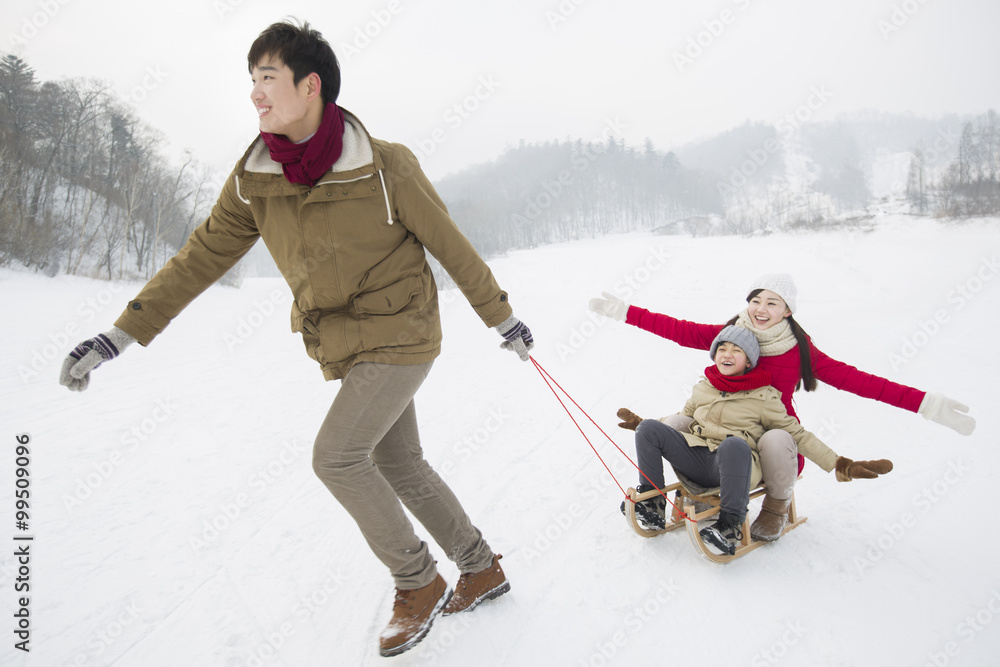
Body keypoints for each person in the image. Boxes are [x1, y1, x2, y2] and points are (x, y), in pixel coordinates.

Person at [59, 20, 529, 658]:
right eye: (250, 80)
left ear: (311, 86)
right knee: (396, 461)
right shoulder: (257, 176)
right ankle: (480, 566)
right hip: (342, 340)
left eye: (268, 79)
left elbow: (451, 245)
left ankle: (417, 581)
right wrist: (119, 334)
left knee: (336, 457)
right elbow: (199, 258)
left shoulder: (385, 165)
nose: (255, 94)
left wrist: (501, 318)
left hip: (403, 329)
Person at [591, 273, 974, 542]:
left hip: (771, 441)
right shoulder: (730, 336)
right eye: (755, 300)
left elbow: (865, 383)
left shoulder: (800, 353)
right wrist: (626, 312)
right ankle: (667, 495)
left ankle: (775, 504)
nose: (760, 308)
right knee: (677, 420)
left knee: (775, 436)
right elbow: (679, 329)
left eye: (772, 303)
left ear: (787, 311)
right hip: (719, 435)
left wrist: (928, 404)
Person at [617, 326, 893, 555]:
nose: (727, 355)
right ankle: (653, 503)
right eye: (722, 349)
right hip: (698, 457)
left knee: (733, 443)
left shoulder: (764, 396)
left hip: (736, 467)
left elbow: (796, 434)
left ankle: (730, 525)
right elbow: (682, 419)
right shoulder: (704, 387)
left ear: (748, 361)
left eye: (736, 351)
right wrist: (644, 427)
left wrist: (838, 464)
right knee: (651, 428)